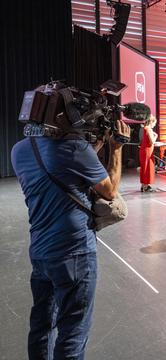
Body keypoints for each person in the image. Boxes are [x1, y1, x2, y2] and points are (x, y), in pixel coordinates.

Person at [12, 119, 131, 359]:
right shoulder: (75, 148)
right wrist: (116, 148)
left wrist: (92, 150)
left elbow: (59, 169)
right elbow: (110, 191)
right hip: (74, 253)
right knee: (72, 332)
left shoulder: (19, 149)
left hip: (40, 250)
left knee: (41, 326)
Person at [139, 115, 158, 192]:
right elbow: (152, 141)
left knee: (144, 167)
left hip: (144, 150)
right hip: (147, 151)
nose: (155, 125)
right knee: (147, 168)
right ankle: (145, 186)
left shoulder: (144, 128)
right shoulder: (149, 129)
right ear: (151, 122)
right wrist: (156, 136)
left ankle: (144, 185)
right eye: (154, 123)